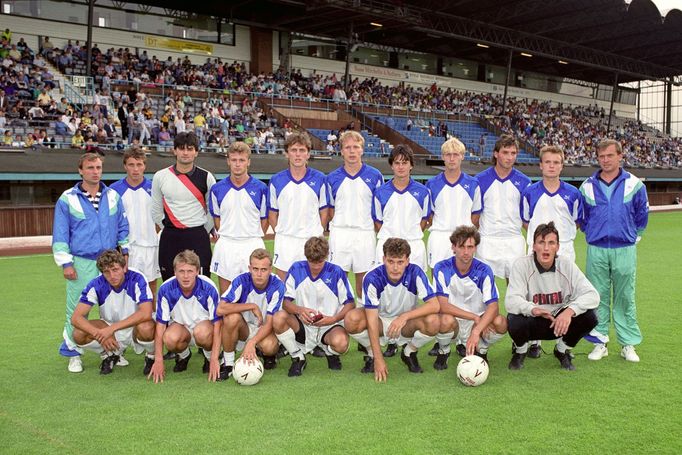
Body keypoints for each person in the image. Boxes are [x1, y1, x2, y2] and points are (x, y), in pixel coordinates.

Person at [580, 139, 649, 362]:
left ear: (620, 156)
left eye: (610, 155)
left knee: (625, 296)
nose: (606, 160)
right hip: (597, 249)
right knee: (596, 296)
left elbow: (642, 216)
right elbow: (582, 218)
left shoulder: (635, 184)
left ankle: (627, 343)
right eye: (601, 156)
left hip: (625, 249)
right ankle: (600, 343)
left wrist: (631, 238)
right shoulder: (587, 185)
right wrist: (594, 233)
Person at [505, 222, 599, 371]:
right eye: (541, 243)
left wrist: (569, 312)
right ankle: (520, 351)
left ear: (558, 247)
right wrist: (533, 309)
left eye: (551, 243)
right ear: (534, 246)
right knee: (513, 320)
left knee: (591, 316)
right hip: (534, 320)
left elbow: (592, 295)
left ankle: (561, 350)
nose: (546, 248)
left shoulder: (566, 265)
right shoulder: (521, 265)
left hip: (560, 323)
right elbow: (511, 300)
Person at [345, 238, 439, 381]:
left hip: (406, 324)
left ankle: (409, 352)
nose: (395, 267)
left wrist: (404, 316)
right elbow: (371, 321)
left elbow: (435, 305)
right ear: (383, 259)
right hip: (380, 321)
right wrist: (378, 358)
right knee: (352, 319)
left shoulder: (416, 272)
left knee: (433, 321)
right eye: (391, 261)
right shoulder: (372, 277)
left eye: (400, 262)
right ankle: (371, 353)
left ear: (407, 260)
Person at [474, 134, 534, 356]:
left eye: (513, 153)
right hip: (487, 240)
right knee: (484, 292)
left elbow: (527, 218)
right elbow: (475, 215)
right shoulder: (480, 180)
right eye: (505, 152)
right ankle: (482, 338)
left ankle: (522, 339)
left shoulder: (524, 182)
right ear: (495, 153)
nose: (509, 157)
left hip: (513, 241)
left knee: (518, 292)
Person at [272, 236, 354, 377]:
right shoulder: (296, 269)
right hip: (303, 325)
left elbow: (350, 303)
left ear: (327, 256)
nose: (316, 266)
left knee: (341, 344)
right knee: (278, 317)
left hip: (329, 325)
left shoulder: (336, 272)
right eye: (312, 262)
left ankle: (330, 352)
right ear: (306, 257)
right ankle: (298, 356)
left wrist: (333, 319)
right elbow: (285, 302)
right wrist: (299, 310)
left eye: (320, 262)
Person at [431, 226, 507, 369]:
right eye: (461, 246)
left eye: (470, 247)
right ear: (453, 247)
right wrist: (473, 317)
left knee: (500, 322)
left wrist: (477, 329)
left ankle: (482, 350)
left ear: (475, 248)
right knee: (444, 319)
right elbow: (442, 305)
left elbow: (493, 306)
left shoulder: (484, 270)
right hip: (453, 321)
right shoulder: (441, 268)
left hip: (476, 323)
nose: (466, 252)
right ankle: (444, 350)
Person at [71, 250, 155, 375]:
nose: (112, 275)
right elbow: (76, 318)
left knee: (147, 327)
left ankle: (151, 356)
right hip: (109, 328)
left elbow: (146, 312)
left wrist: (112, 329)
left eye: (115, 269)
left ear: (124, 267)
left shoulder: (137, 278)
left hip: (135, 327)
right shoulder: (96, 284)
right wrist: (99, 333)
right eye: (106, 272)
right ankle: (109, 355)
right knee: (78, 334)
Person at [147, 250, 223, 383]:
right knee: (169, 338)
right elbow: (160, 326)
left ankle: (209, 356)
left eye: (190, 271)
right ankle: (184, 355)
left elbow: (218, 325)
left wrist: (215, 359)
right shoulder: (166, 289)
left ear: (197, 271)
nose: (186, 276)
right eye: (181, 271)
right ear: (175, 272)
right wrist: (158, 360)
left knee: (202, 333)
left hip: (204, 328)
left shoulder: (209, 288)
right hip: (181, 328)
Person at [326, 130, 384, 299]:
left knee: (364, 283)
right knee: (337, 281)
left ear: (362, 150)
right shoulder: (332, 178)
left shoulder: (375, 176)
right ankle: (338, 321)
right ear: (341, 151)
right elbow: (330, 209)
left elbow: (378, 208)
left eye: (355, 147)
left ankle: (365, 321)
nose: (352, 151)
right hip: (340, 233)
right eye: (347, 147)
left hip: (364, 233)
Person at [151, 132, 216, 281]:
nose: (185, 153)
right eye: (181, 148)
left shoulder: (207, 177)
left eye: (190, 148)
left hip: (198, 236)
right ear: (174, 151)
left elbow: (212, 210)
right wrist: (169, 227)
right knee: (170, 283)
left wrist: (200, 230)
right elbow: (155, 210)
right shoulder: (160, 176)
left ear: (196, 152)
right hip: (170, 237)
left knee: (201, 283)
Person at [209, 142, 268, 294]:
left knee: (255, 294)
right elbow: (217, 221)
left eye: (241, 160)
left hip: (252, 243)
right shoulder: (217, 189)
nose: (237, 164)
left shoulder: (261, 188)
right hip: (227, 244)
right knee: (227, 295)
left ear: (248, 162)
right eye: (234, 160)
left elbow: (264, 221)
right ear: (228, 161)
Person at [217, 248, 285, 379]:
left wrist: (251, 342)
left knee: (270, 347)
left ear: (270, 270)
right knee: (231, 318)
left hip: (266, 328)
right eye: (255, 269)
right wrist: (251, 306)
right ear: (249, 268)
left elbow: (271, 322)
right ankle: (228, 363)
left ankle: (265, 354)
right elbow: (220, 309)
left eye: (263, 270)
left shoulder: (277, 285)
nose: (259, 274)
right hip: (245, 328)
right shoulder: (241, 281)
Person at [268, 132, 328, 280]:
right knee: (283, 287)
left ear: (308, 154)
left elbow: (325, 211)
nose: (298, 154)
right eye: (294, 150)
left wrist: (316, 233)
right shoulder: (276, 180)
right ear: (287, 154)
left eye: (302, 150)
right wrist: (282, 232)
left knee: (313, 287)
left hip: (311, 240)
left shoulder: (320, 179)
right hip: (285, 241)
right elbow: (272, 214)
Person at [111, 149, 161, 299]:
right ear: (125, 166)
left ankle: (150, 319)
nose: (135, 169)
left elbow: (160, 216)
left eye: (139, 164)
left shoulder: (155, 189)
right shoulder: (114, 190)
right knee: (124, 287)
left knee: (150, 287)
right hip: (126, 248)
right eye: (131, 165)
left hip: (150, 245)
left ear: (144, 166)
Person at [425, 137, 481, 269]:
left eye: (455, 155)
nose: (451, 158)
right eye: (448, 155)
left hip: (464, 239)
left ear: (462, 156)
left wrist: (464, 233)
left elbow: (476, 216)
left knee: (463, 280)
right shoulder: (432, 184)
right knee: (438, 280)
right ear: (442, 157)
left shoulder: (473, 184)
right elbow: (430, 215)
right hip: (439, 237)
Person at [373, 144, 430, 271]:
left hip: (414, 246)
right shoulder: (380, 192)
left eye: (404, 162)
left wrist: (410, 234)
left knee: (415, 289)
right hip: (386, 247)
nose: (400, 167)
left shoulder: (423, 192)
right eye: (397, 163)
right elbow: (378, 222)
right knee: (385, 289)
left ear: (411, 165)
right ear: (391, 165)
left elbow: (424, 221)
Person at [521, 145, 582, 262]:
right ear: (541, 165)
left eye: (556, 162)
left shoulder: (574, 193)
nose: (552, 166)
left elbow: (577, 222)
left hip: (564, 249)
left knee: (564, 280)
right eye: (547, 162)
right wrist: (541, 239)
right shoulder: (529, 192)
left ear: (562, 166)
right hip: (536, 248)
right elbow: (525, 221)